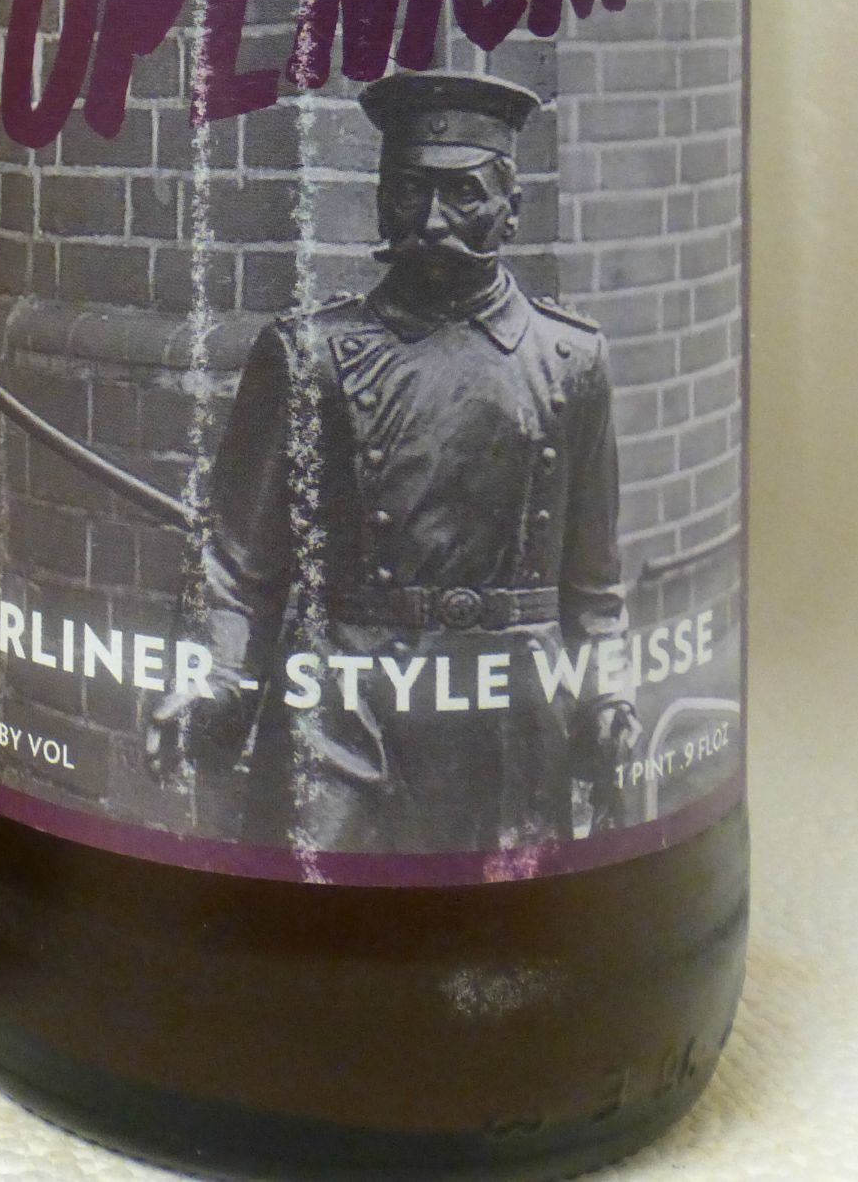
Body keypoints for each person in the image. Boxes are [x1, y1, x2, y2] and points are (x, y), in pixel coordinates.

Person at [147, 71, 641, 855]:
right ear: (381, 200)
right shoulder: (308, 354)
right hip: (343, 706)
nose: (432, 220)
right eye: (409, 191)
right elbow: (235, 564)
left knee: (498, 909)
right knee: (315, 899)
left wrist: (608, 696)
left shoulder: (569, 362)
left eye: (463, 194)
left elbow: (592, 583)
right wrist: (207, 679)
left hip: (507, 709)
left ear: (510, 207)